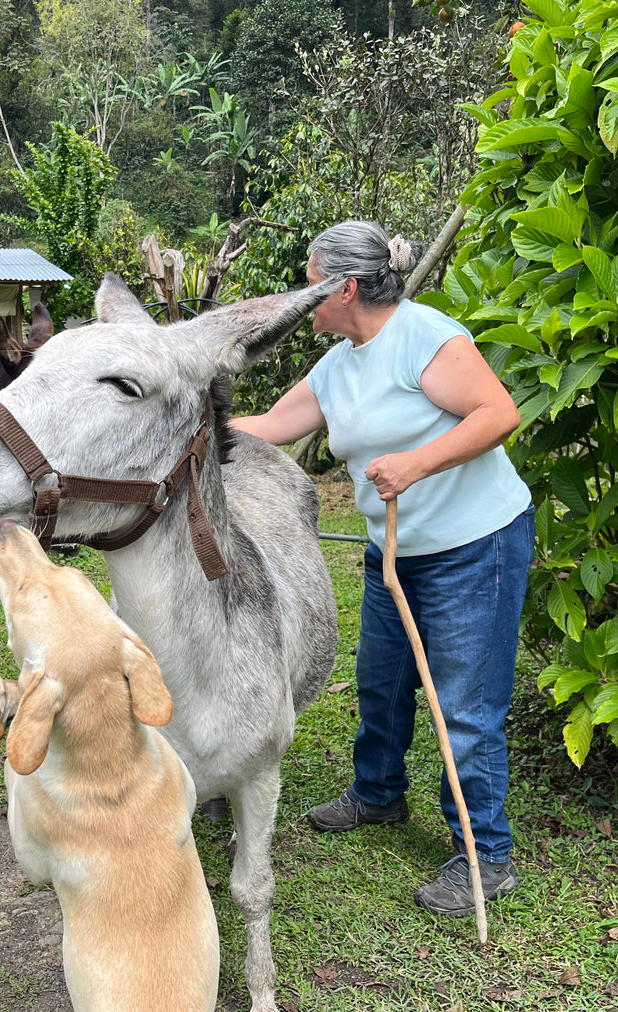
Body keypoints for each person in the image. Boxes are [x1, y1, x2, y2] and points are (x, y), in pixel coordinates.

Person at [230, 220, 534, 916]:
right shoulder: (337, 364)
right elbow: (274, 426)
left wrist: (416, 463)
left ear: (342, 287)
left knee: (463, 706)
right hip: (396, 553)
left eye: (307, 285)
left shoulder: (423, 336)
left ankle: (486, 857)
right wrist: (184, 421)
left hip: (474, 546)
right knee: (381, 680)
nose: (298, 298)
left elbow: (497, 413)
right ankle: (377, 794)